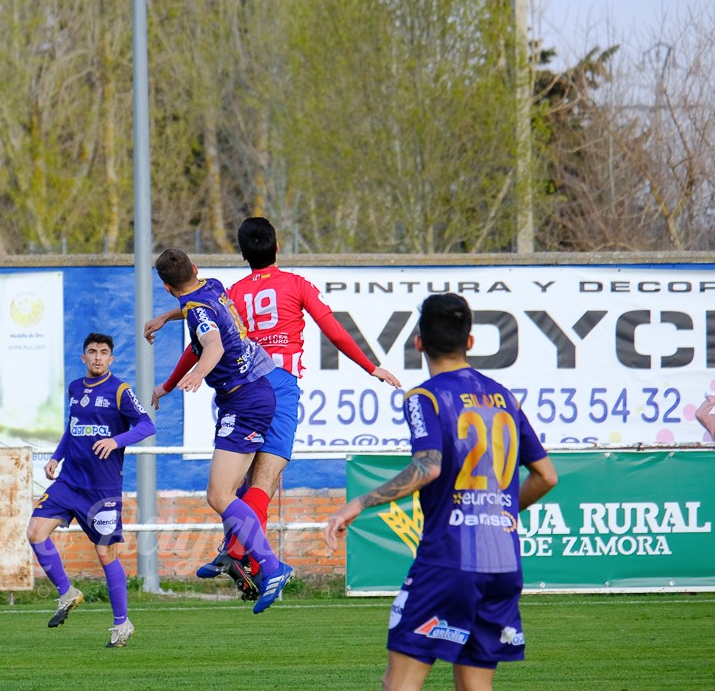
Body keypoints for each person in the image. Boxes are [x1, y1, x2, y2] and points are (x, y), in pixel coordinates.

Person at [145, 217, 401, 595]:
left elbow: (200, 339)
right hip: (276, 385)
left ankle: (234, 551)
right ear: (277, 247)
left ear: (243, 254)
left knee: (238, 485)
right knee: (263, 482)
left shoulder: (230, 290)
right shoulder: (295, 285)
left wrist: (168, 380)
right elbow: (332, 328)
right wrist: (370, 366)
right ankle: (241, 553)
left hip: (242, 387)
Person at [322, 293, 558, 691]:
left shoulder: (425, 397)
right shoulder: (506, 398)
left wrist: (358, 502)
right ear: (470, 342)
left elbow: (428, 466)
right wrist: (498, 512)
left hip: (449, 561)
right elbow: (546, 476)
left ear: (418, 342)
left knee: (399, 683)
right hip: (503, 564)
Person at [153, 247, 292, 614]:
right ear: (195, 270)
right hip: (251, 394)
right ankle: (231, 554)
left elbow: (210, 343)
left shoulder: (195, 310)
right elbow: (195, 313)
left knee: (219, 494)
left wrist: (197, 374)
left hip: (245, 399)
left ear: (166, 287)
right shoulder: (211, 285)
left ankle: (273, 567)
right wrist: (168, 318)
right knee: (233, 490)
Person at [28, 333, 156, 648]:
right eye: (92, 352)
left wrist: (116, 440)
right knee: (35, 532)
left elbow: (146, 425)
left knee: (104, 554)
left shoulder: (121, 390)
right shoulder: (74, 388)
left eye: (103, 352)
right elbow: (73, 429)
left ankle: (121, 624)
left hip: (102, 489)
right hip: (69, 482)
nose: (97, 357)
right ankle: (67, 593)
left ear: (111, 358)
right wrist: (56, 458)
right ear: (83, 357)